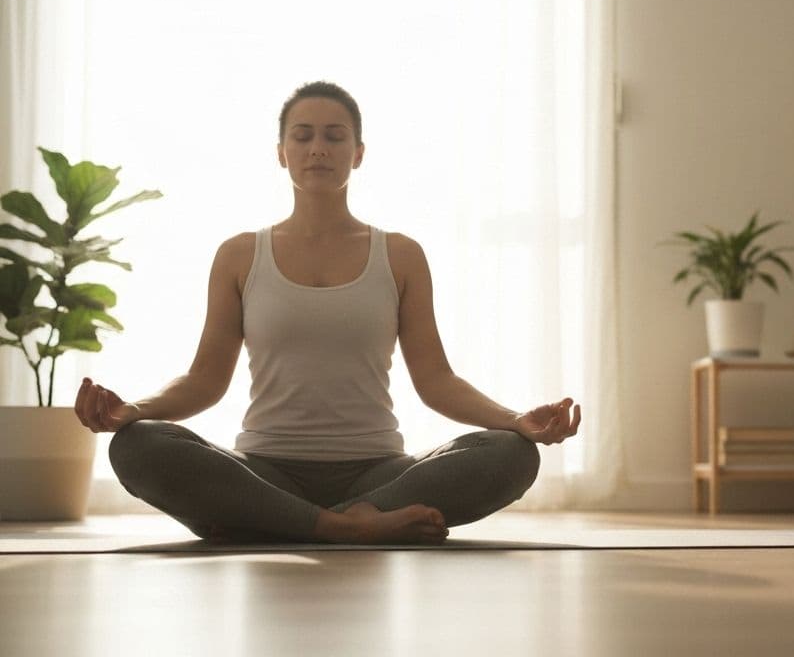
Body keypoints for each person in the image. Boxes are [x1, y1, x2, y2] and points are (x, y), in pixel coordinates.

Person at [73, 81, 580, 545]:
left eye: (335, 137)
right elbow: (205, 380)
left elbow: (436, 380)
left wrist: (517, 421)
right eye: (303, 136)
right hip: (263, 470)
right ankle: (345, 526)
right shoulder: (240, 254)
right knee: (137, 446)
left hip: (379, 475)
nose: (318, 148)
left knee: (510, 454)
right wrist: (134, 411)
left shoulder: (400, 255)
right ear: (281, 153)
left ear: (357, 154)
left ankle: (278, 520)